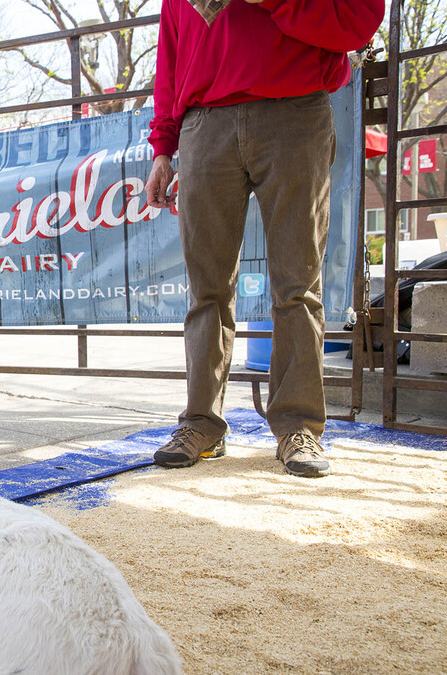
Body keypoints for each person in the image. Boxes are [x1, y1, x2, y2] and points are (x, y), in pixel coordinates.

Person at [143, 0, 383, 478]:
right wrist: (163, 148)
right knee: (205, 287)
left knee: (297, 283)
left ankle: (299, 427)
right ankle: (201, 423)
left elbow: (359, 22)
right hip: (204, 124)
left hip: (294, 114)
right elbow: (169, 60)